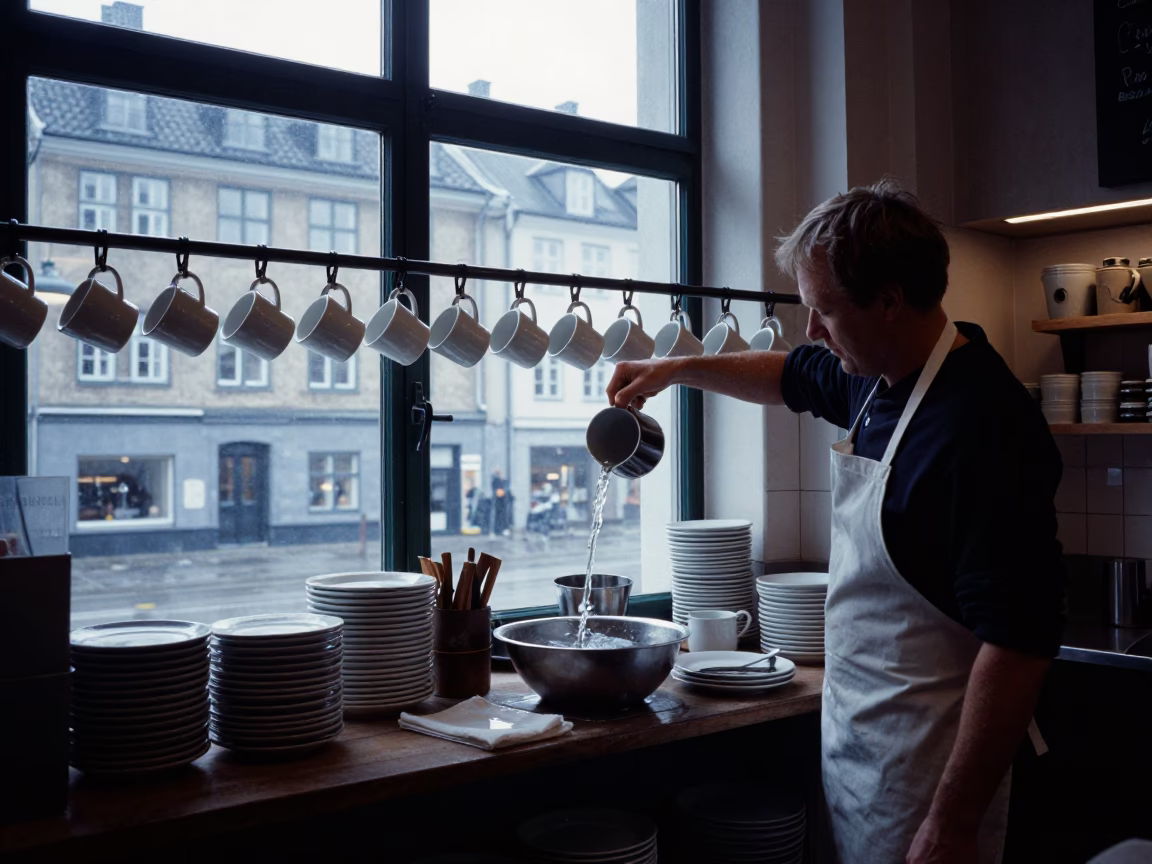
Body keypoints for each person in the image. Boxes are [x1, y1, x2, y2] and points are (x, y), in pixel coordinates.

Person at [606, 180, 1064, 864]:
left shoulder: (981, 425)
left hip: (932, 775)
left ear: (889, 301)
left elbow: (1019, 642)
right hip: (858, 745)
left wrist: (954, 822)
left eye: (824, 312)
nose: (813, 331)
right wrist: (674, 370)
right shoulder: (877, 374)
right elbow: (790, 375)